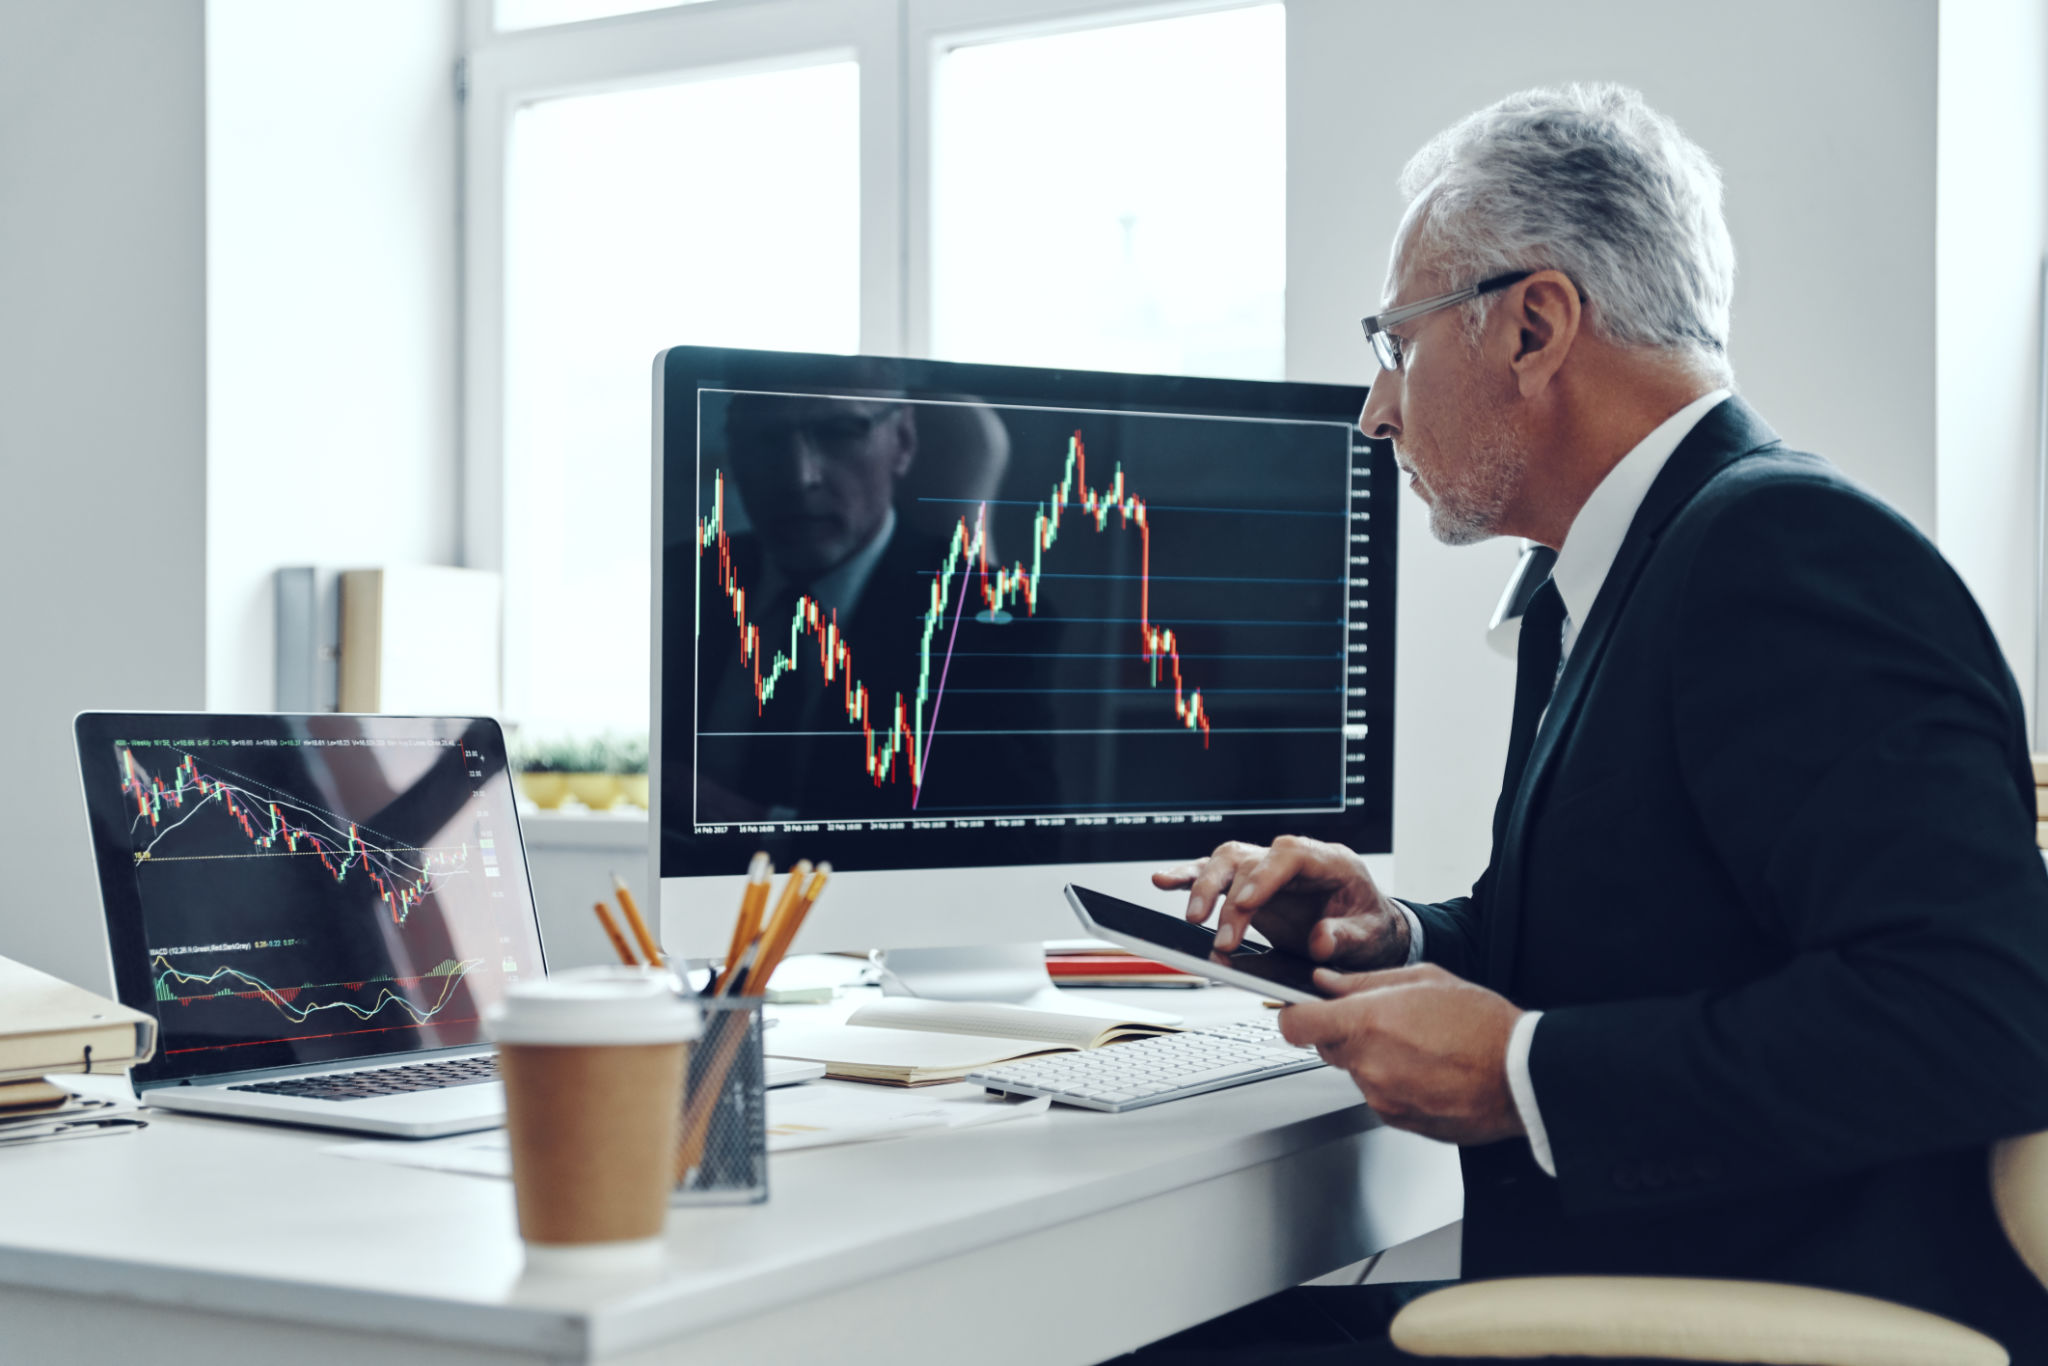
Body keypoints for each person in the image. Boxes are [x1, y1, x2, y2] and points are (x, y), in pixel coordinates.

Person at [1134, 84, 2048, 1364]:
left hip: (1763, 1314)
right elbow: (1638, 943)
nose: (1375, 409)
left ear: (1533, 325)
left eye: (1396, 343)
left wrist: (1521, 1071)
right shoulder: (1628, 568)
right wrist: (1394, 931)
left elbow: (1975, 1013)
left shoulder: (1779, 552)